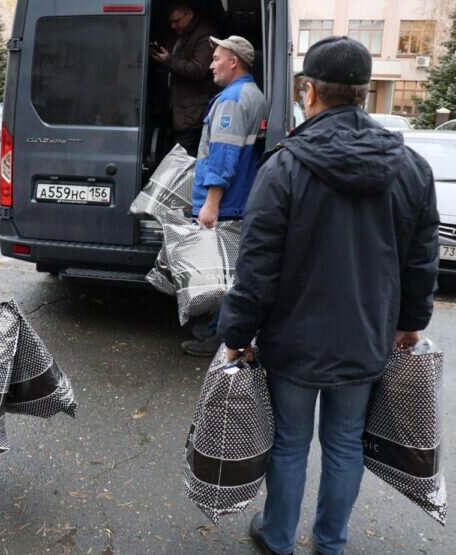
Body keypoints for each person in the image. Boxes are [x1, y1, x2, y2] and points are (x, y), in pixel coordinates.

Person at [217, 37, 439, 555]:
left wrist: (236, 334)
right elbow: (420, 258)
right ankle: (330, 543)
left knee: (291, 442)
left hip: (294, 339)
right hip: (366, 337)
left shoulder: (284, 167)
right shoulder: (410, 167)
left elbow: (257, 264)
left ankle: (276, 539)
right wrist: (411, 320)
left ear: (309, 91)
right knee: (344, 442)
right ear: (363, 94)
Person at [180, 35, 266, 356]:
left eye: (217, 58)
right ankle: (217, 326)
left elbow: (224, 154)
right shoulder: (251, 94)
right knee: (231, 272)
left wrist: (211, 203)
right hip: (239, 199)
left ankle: (221, 339)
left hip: (227, 203)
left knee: (228, 278)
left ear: (234, 61)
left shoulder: (232, 99)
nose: (211, 64)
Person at [149, 1, 216, 156]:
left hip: (193, 115)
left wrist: (168, 60)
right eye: (171, 22)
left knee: (182, 160)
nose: (173, 26)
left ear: (190, 14)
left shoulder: (205, 35)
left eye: (177, 21)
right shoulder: (176, 36)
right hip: (175, 110)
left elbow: (198, 70)